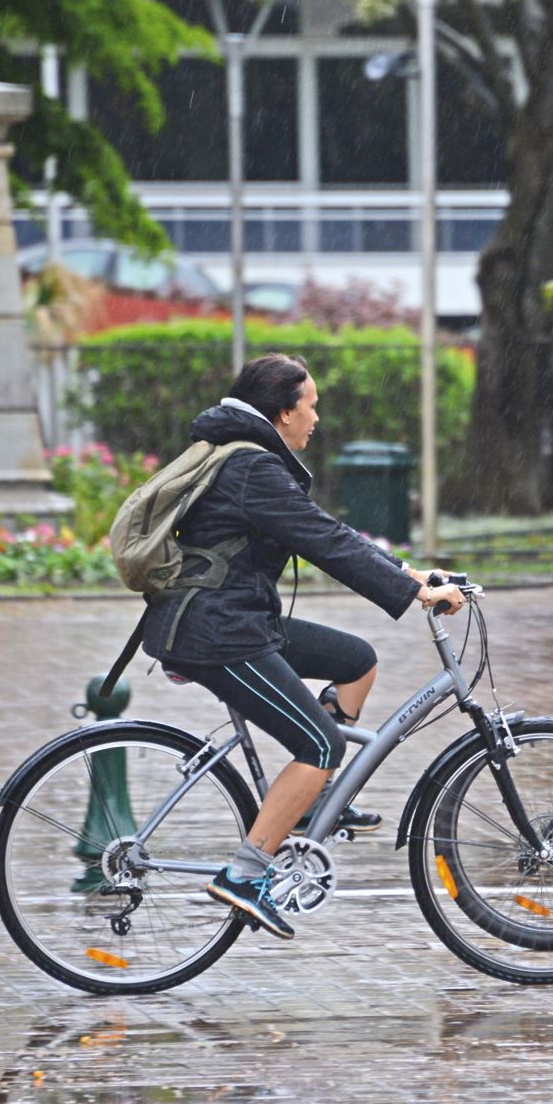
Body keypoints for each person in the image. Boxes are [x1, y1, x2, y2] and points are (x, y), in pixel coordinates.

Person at [146, 353, 465, 940]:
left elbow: (330, 533)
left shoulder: (248, 459)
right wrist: (409, 591)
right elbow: (325, 542)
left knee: (356, 661)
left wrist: (411, 575)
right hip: (217, 631)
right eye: (310, 405)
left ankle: (315, 805)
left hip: (236, 619)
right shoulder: (252, 469)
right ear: (283, 412)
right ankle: (244, 876)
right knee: (320, 743)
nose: (316, 417)